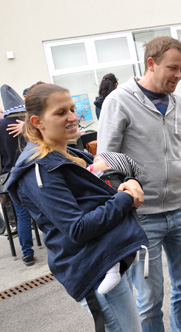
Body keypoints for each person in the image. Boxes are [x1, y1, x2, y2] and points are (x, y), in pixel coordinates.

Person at [7, 83, 149, 331]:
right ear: (37, 121)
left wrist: (129, 182)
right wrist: (126, 198)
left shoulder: (68, 153)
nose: (73, 117)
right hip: (93, 267)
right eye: (61, 112)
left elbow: (104, 184)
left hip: (106, 255)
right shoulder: (39, 169)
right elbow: (77, 228)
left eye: (72, 109)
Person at [98, 36, 181, 332]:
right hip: (142, 220)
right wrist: (124, 205)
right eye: (173, 68)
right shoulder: (119, 101)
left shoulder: (178, 103)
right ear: (151, 63)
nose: (178, 75)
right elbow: (105, 162)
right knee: (150, 298)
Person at [87, 151, 144, 295]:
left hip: (113, 220)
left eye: (99, 160)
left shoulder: (106, 178)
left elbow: (87, 171)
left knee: (110, 239)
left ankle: (113, 270)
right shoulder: (119, 181)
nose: (94, 161)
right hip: (126, 217)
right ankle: (132, 252)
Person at [0, 84, 34, 266]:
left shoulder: (1, 125)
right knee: (44, 209)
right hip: (33, 171)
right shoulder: (30, 121)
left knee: (22, 215)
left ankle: (27, 253)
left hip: (11, 176)